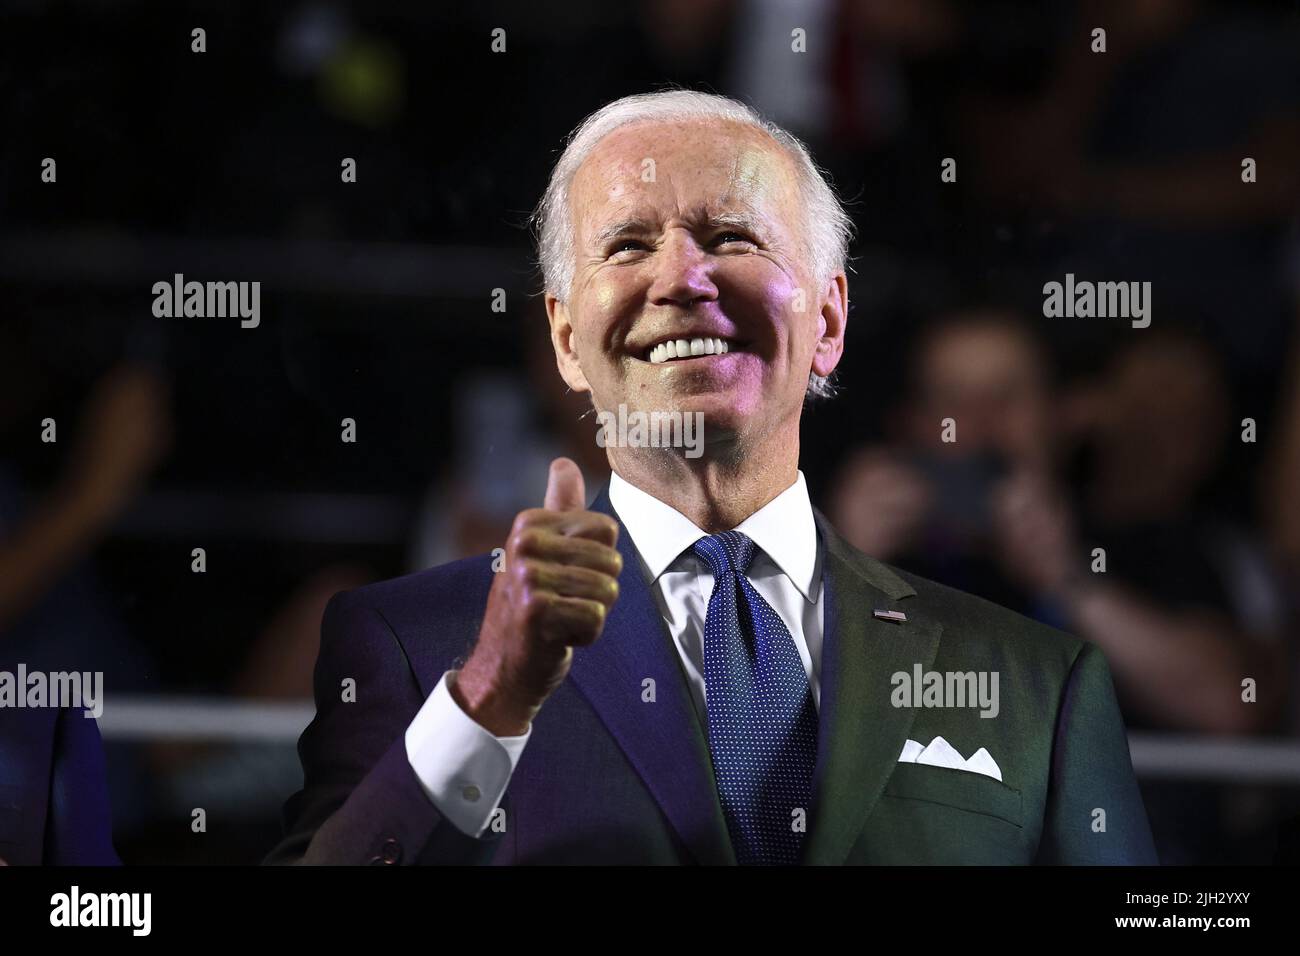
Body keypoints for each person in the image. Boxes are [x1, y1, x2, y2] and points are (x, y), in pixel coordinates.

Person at [268, 90, 1155, 865]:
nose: (682, 279)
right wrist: (487, 698)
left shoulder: (1038, 679)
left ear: (831, 318)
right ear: (567, 339)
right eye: (626, 246)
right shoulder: (412, 646)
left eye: (732, 236)